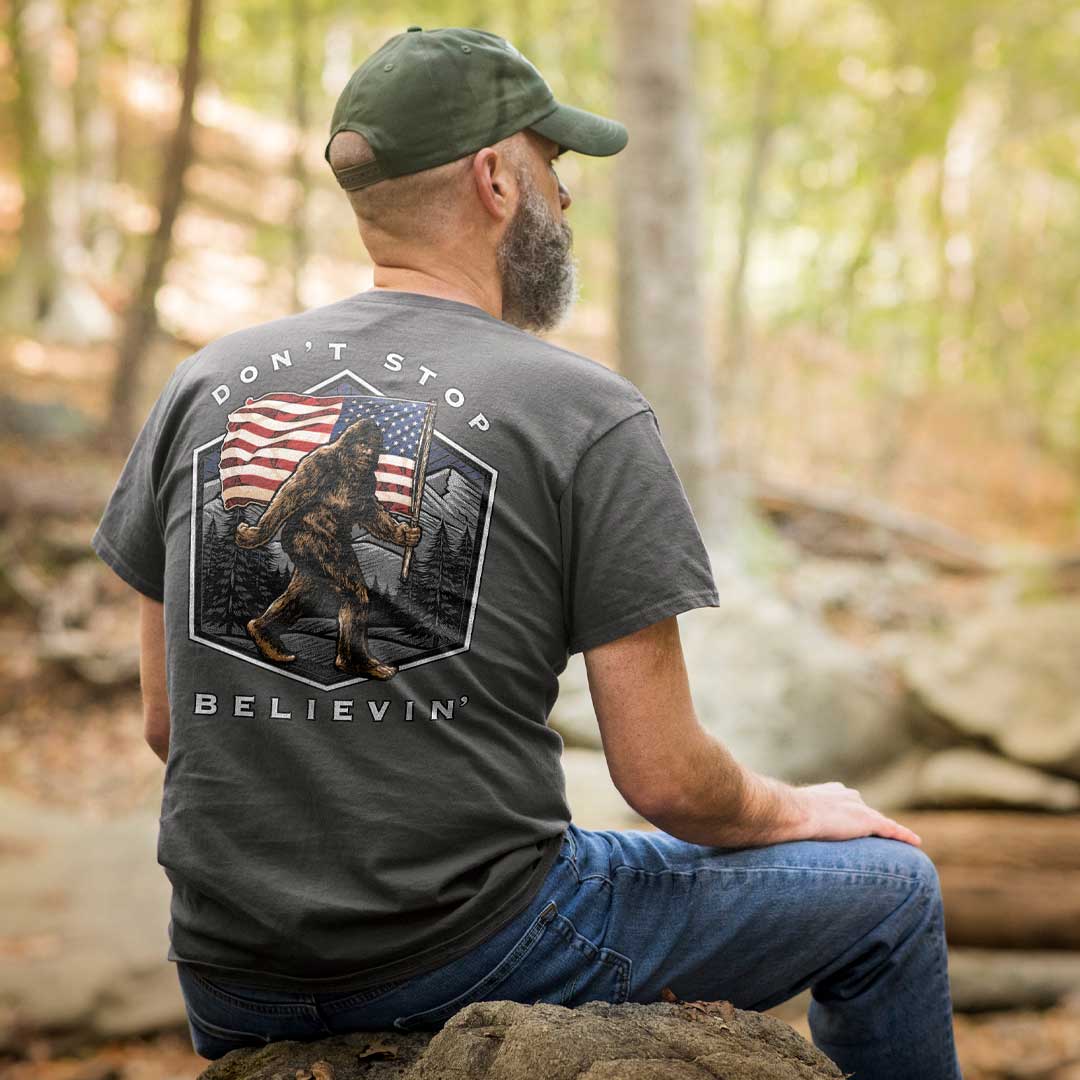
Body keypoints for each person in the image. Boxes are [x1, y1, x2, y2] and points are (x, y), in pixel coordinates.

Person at [90, 25, 963, 1080]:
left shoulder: (204, 383)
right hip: (473, 946)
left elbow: (166, 719)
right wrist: (799, 809)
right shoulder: (581, 410)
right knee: (891, 891)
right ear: (496, 178)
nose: (569, 197)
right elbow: (667, 779)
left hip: (229, 974)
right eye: (556, 167)